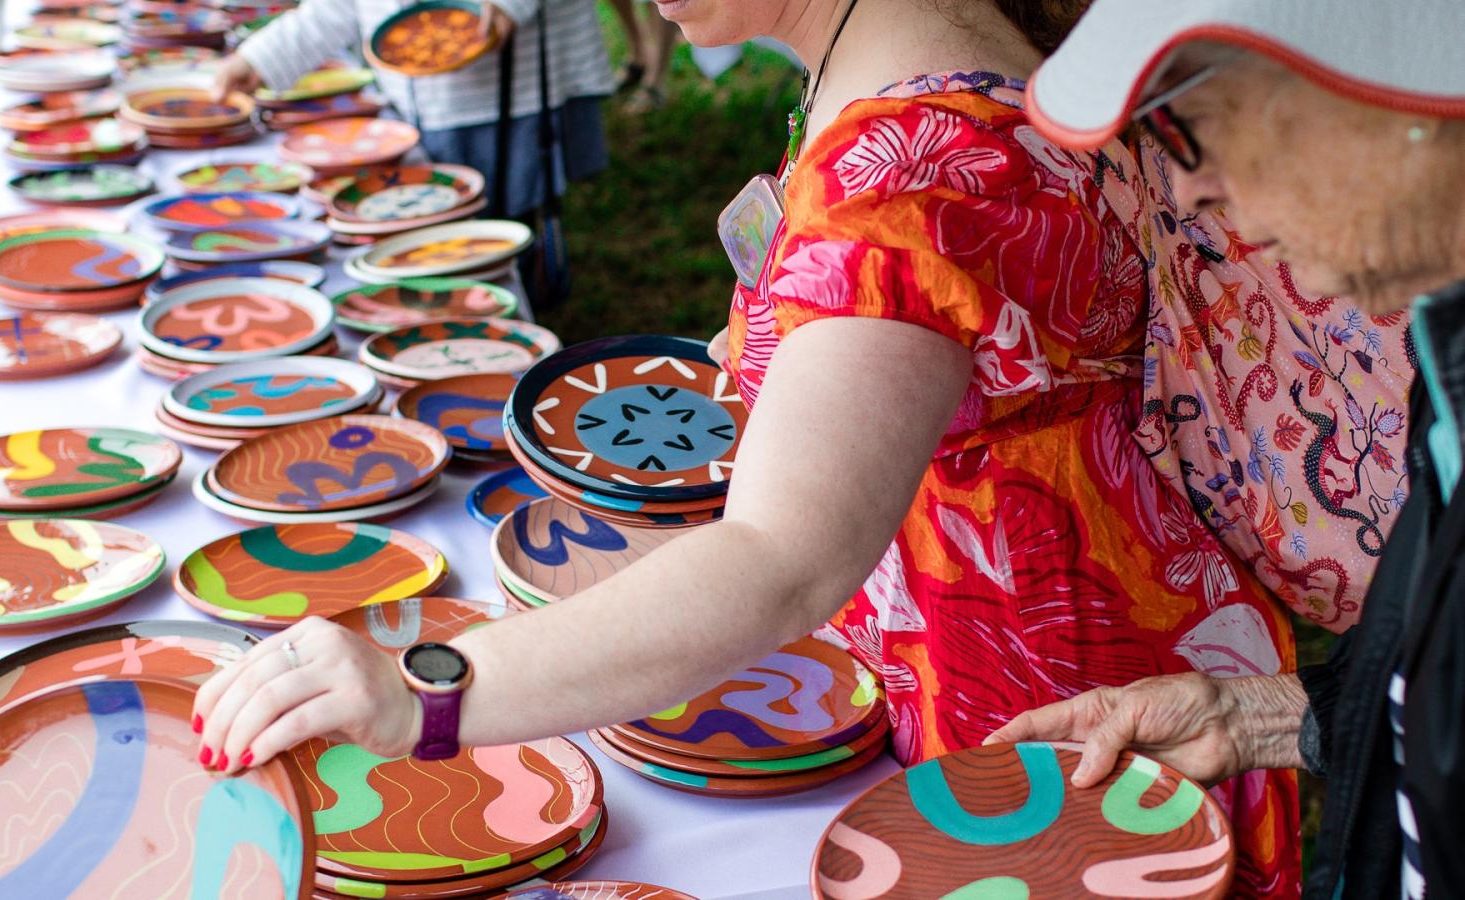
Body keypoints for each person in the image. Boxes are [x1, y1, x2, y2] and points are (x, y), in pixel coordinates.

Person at [193, 0, 1300, 891]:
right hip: (1090, 657)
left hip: (1055, 736)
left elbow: (785, 559)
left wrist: (428, 689)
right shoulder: (943, 51)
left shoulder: (901, 174)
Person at [985, 1, 1465, 897]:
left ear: (1395, 95)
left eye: (1186, 122)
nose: (1190, 190)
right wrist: (1255, 719)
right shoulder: (1447, 356)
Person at [214, 0, 615, 219]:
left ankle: (515, 289)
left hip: (505, 95)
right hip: (412, 94)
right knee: (434, 206)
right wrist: (261, 59)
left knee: (504, 207)